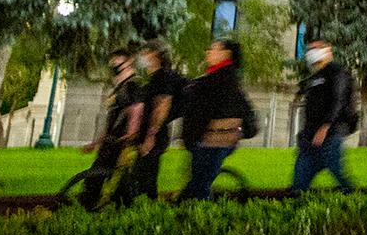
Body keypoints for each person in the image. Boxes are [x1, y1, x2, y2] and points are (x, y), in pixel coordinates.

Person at [179, 35, 248, 201]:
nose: (208, 52)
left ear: (226, 54)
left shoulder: (219, 79)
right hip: (216, 140)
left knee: (199, 187)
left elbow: (204, 111)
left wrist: (190, 137)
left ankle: (202, 220)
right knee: (199, 184)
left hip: (211, 140)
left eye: (214, 48)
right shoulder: (224, 77)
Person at [121, 39, 184, 204]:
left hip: (155, 134)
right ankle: (146, 206)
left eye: (146, 52)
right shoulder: (154, 77)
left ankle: (145, 209)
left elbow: (162, 107)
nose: (143, 56)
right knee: (144, 175)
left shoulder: (163, 77)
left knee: (143, 175)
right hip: (150, 133)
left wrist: (150, 136)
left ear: (156, 55)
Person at [289, 40, 356, 194]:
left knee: (336, 169)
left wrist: (326, 126)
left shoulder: (337, 72)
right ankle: (296, 196)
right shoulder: (315, 77)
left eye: (316, 49)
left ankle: (352, 197)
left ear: (327, 51)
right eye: (310, 49)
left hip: (331, 132)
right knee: (300, 177)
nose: (311, 52)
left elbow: (338, 101)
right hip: (310, 135)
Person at [79, 47, 142, 208]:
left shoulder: (132, 85)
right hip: (110, 141)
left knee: (108, 179)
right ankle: (93, 207)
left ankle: (95, 207)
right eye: (113, 61)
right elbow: (112, 121)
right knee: (98, 178)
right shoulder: (118, 89)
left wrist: (130, 135)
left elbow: (136, 109)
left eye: (118, 60)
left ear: (129, 62)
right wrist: (96, 142)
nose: (114, 64)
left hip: (120, 143)